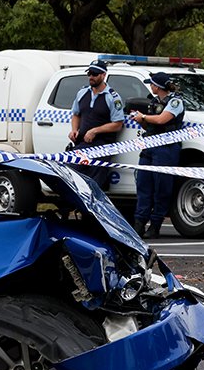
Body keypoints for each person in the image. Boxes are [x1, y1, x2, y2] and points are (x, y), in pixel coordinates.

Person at [129, 71, 185, 238]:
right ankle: (139, 224)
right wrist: (141, 121)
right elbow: (152, 127)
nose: (150, 87)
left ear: (158, 86)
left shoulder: (175, 102)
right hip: (149, 146)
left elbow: (162, 120)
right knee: (143, 184)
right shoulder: (153, 102)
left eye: (152, 84)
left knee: (162, 187)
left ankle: (155, 225)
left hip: (166, 148)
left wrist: (144, 116)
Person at [68, 60, 125, 192]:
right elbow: (76, 114)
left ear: (103, 75)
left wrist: (95, 131)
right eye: (89, 73)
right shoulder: (82, 93)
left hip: (103, 147)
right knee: (72, 173)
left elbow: (117, 124)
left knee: (94, 184)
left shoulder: (113, 97)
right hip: (83, 144)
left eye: (94, 74)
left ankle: (92, 212)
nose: (91, 77)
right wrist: (74, 130)